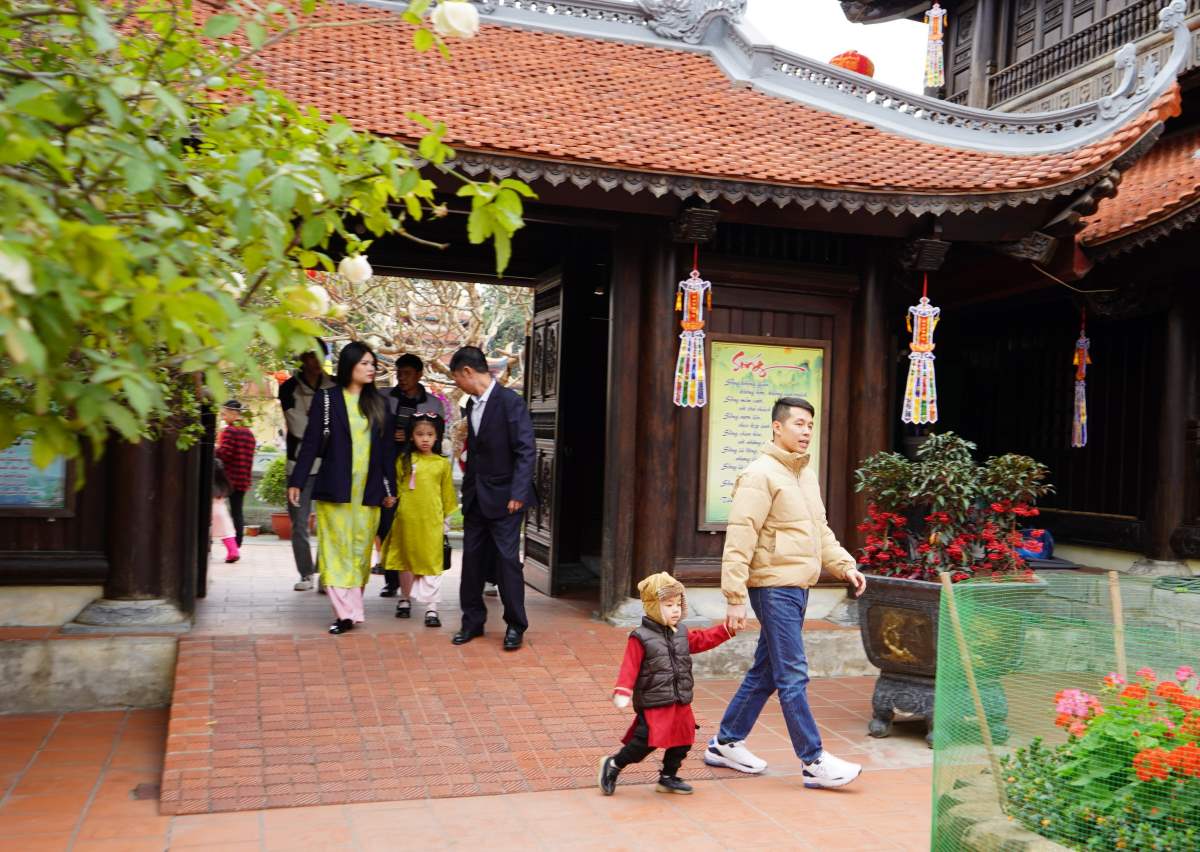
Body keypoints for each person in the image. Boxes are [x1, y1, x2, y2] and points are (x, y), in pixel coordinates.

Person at [705, 396, 869, 789]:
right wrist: (734, 597)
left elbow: (819, 530)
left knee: (766, 671)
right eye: (798, 424)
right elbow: (740, 536)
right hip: (773, 587)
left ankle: (725, 743)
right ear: (777, 427)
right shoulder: (759, 475)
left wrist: (844, 565)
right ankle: (813, 760)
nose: (806, 431)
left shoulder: (804, 475)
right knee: (792, 673)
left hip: (797, 586)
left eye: (810, 425)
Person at [287, 342, 397, 635]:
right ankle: (344, 614)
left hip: (368, 491)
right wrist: (297, 480)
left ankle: (352, 608)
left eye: (373, 364)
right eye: (365, 363)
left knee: (360, 552)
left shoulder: (380, 403)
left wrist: (390, 489)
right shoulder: (327, 399)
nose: (371, 369)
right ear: (349, 366)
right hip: (335, 487)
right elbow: (311, 443)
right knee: (336, 550)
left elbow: (387, 452)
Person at [599, 573, 734, 797]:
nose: (675, 610)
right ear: (653, 606)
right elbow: (630, 666)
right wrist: (623, 689)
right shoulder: (640, 637)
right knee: (644, 743)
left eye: (678, 604)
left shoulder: (681, 632)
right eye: (668, 605)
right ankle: (613, 764)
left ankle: (668, 777)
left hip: (680, 698)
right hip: (655, 700)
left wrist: (727, 629)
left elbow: (702, 639)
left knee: (683, 739)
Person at [448, 345, 536, 651]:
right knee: (471, 561)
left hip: (506, 499)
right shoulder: (471, 405)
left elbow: (525, 449)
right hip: (476, 498)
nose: (457, 384)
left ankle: (515, 625)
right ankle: (472, 622)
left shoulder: (510, 402)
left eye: (457, 378)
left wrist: (518, 493)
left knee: (507, 562)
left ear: (468, 371)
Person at [380, 353, 451, 598]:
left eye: (407, 374)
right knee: (388, 523)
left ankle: (417, 581)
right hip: (389, 466)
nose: (402, 378)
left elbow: (437, 436)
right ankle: (391, 580)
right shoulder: (384, 397)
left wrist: (413, 439)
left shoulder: (433, 404)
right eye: (399, 373)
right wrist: (390, 434)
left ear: (419, 374)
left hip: (420, 469)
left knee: (417, 530)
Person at [380, 412, 457, 626]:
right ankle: (405, 599)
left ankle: (432, 608)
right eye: (420, 434)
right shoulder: (404, 461)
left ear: (437, 436)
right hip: (406, 519)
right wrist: (389, 499)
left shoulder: (441, 464)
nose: (425, 439)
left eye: (430, 435)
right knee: (406, 560)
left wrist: (446, 521)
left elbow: (447, 494)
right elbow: (394, 487)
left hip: (432, 521)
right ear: (411, 436)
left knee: (432, 562)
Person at [279, 347, 335, 591]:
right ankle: (305, 574)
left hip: (329, 464)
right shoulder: (289, 388)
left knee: (329, 521)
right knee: (299, 523)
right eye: (310, 355)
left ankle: (325, 573)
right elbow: (298, 427)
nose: (315, 361)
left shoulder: (334, 386)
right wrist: (325, 429)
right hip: (298, 464)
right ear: (302, 358)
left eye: (319, 355)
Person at [215, 399, 255, 548]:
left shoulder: (230, 431)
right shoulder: (249, 433)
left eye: (224, 414)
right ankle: (237, 543)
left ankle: (218, 539)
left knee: (217, 509)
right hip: (243, 479)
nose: (223, 417)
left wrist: (214, 449)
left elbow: (225, 454)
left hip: (228, 479)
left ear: (234, 414)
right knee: (237, 512)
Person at [211, 459, 239, 564]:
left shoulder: (210, 483)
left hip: (211, 510)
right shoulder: (224, 483)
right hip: (222, 510)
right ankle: (233, 552)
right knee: (227, 533)